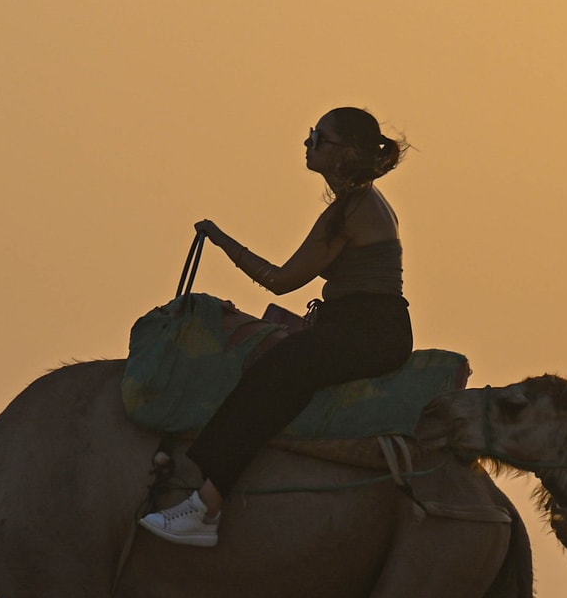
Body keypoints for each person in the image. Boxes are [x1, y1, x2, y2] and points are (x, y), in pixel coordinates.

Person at [140, 107, 411, 547]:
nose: (308, 143)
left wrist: (220, 238)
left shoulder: (353, 209)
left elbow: (281, 281)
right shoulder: (356, 205)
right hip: (360, 323)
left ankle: (207, 505)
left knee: (276, 372)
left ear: (345, 152)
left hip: (369, 330)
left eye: (318, 137)